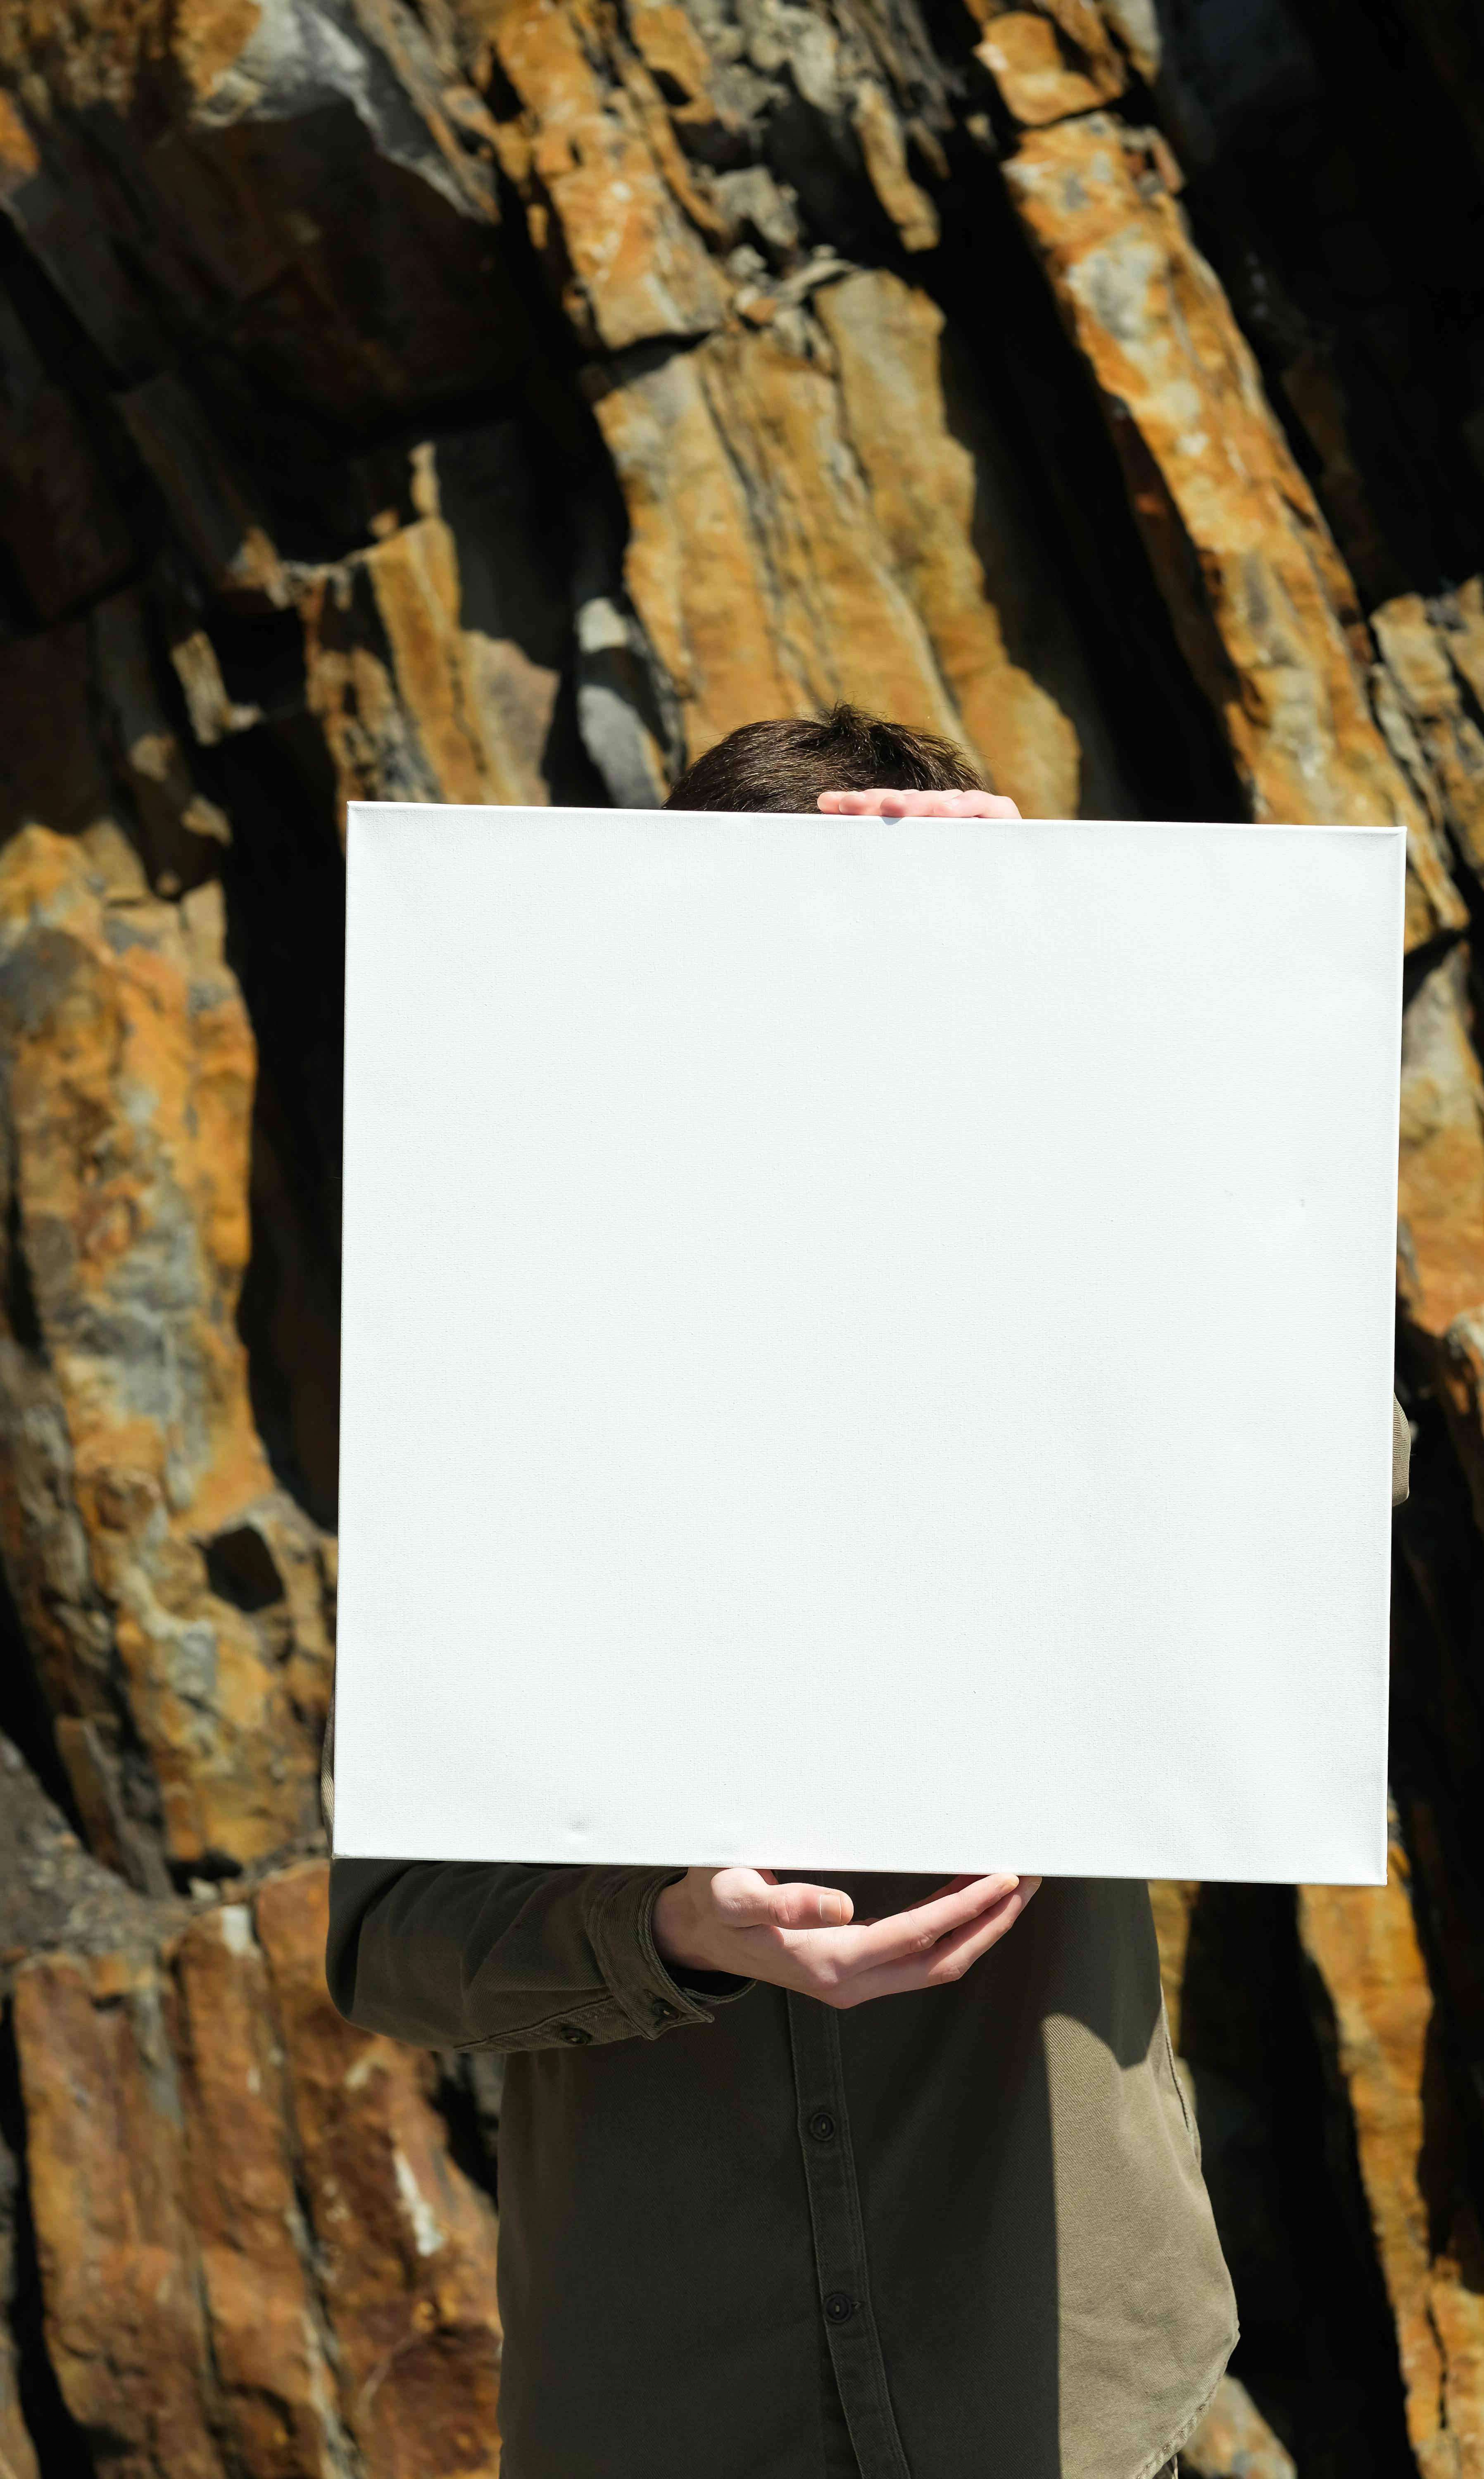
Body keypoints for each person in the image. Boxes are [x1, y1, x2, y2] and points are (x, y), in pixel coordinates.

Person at [328, 705, 1406, 2478]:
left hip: (1053, 2374)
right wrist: (671, 1934)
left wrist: (1048, 1029)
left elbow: (1297, 1482)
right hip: (667, 2400)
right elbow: (387, 1945)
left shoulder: (1108, 1339)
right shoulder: (511, 1403)